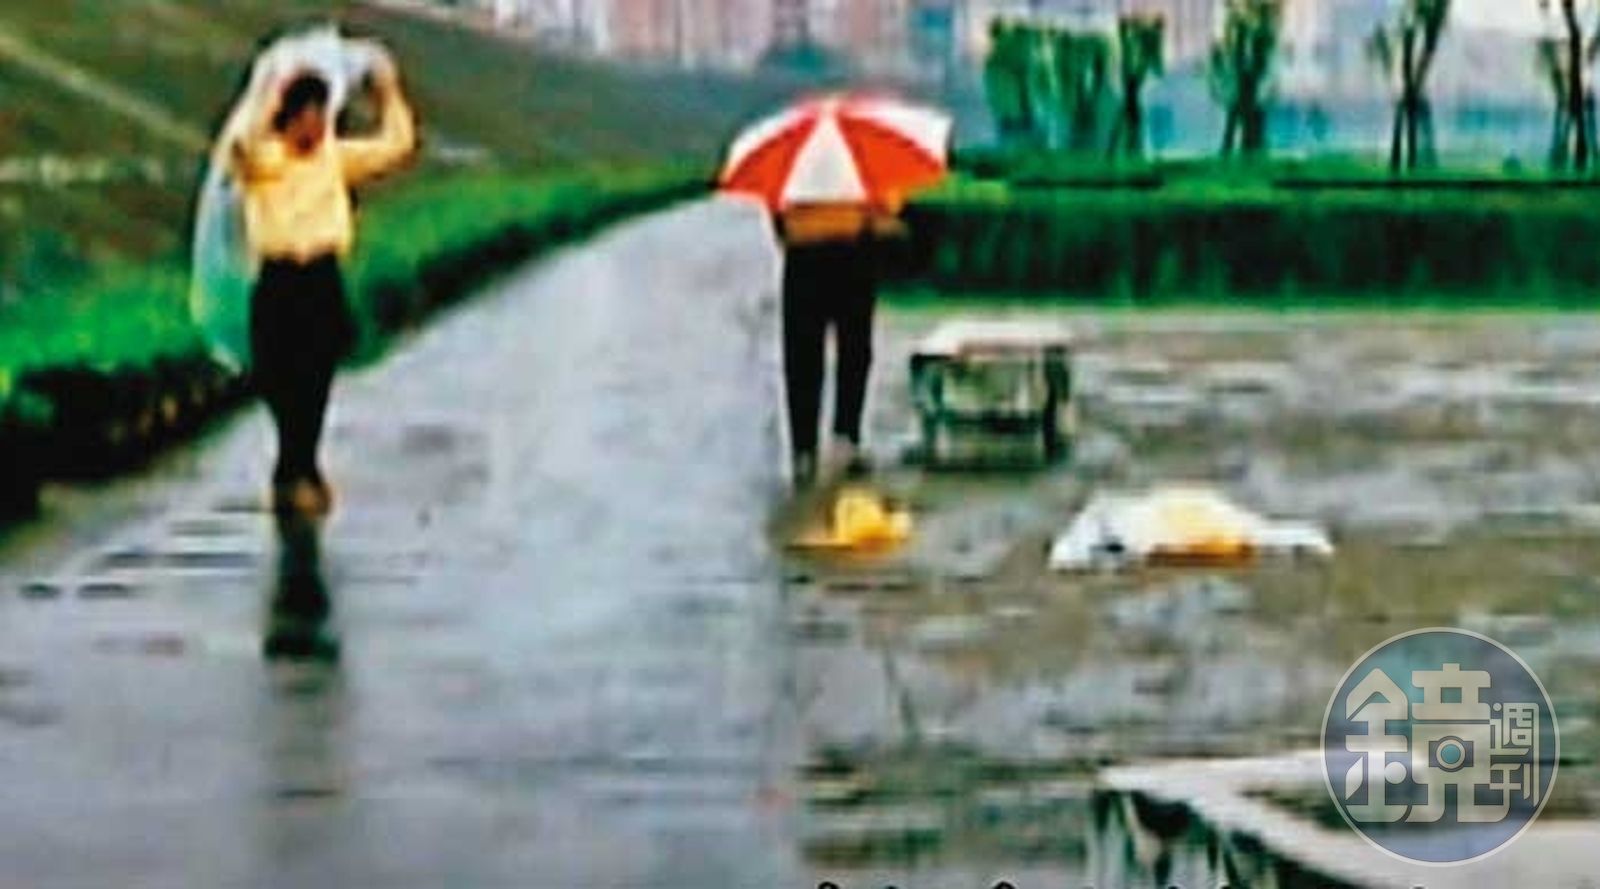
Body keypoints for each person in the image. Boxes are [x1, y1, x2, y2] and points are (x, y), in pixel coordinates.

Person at [231, 56, 416, 515]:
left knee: (314, 377)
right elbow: (239, 146)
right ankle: (293, 464)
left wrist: (389, 91)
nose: (315, 126)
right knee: (277, 376)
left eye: (321, 115)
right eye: (307, 116)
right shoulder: (265, 160)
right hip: (278, 279)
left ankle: (300, 470)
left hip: (320, 277)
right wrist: (265, 94)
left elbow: (397, 145)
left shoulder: (334, 158)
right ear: (289, 118)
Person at [775, 200, 905, 486]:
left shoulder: (790, 174)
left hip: (806, 250)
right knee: (850, 349)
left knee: (805, 355)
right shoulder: (862, 171)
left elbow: (777, 212)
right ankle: (842, 437)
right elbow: (885, 211)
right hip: (849, 248)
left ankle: (805, 446)